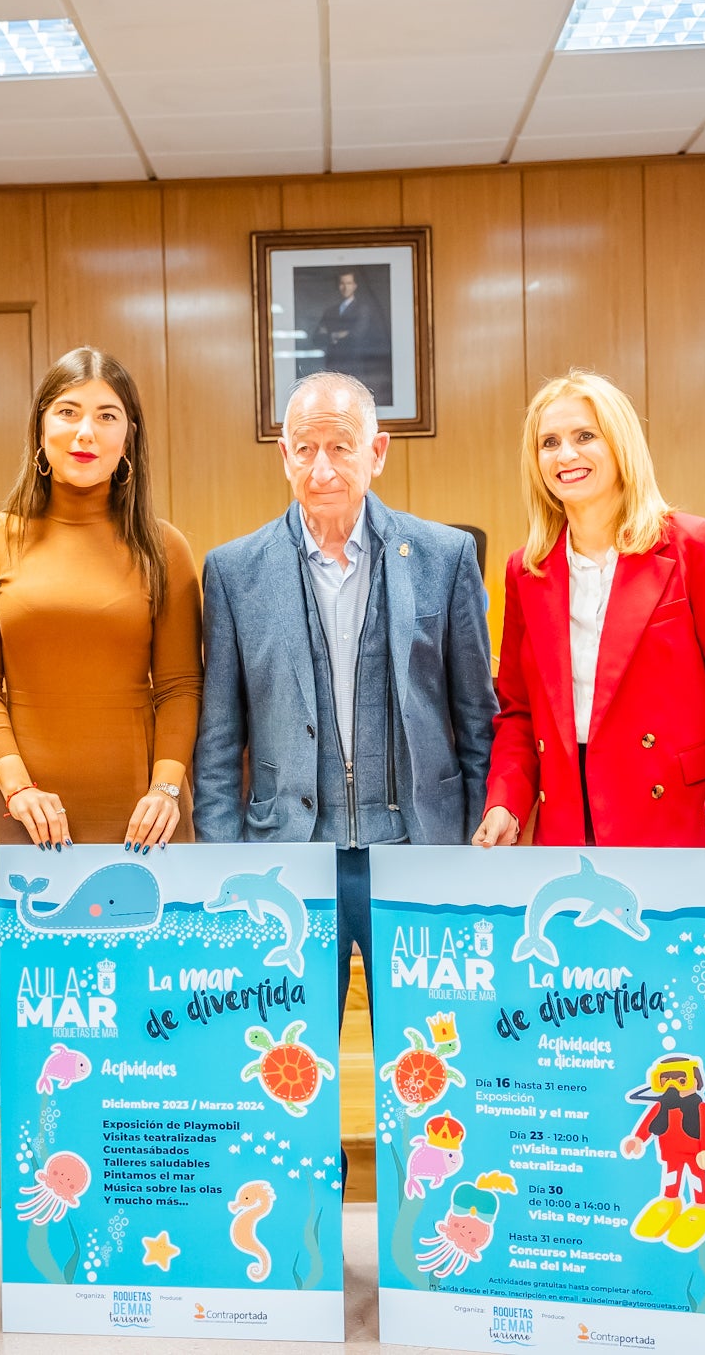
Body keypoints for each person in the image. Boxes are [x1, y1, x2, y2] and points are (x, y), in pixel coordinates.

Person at [471, 369, 705, 1234]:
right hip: (573, 859)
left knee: (690, 1067)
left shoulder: (695, 546)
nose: (565, 454)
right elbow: (517, 710)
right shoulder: (528, 570)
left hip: (687, 847)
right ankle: (604, 1250)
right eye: (549, 441)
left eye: (584, 435)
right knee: (591, 1062)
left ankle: (698, 1260)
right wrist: (505, 802)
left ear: (620, 445)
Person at [196, 371, 496, 1034]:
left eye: (340, 446)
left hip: (419, 849)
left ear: (377, 451)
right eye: (305, 449)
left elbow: (479, 720)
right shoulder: (233, 571)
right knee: (288, 1056)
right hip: (287, 859)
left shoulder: (445, 557)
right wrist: (224, 860)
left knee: (429, 1048)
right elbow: (217, 741)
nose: (322, 467)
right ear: (284, 456)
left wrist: (476, 848)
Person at [0, 346, 203, 1106]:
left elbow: (181, 684)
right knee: (45, 1020)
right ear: (40, 429)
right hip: (26, 812)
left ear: (130, 437)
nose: (85, 431)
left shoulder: (164, 546)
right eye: (67, 412)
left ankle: (153, 1172)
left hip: (144, 815)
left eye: (106, 415)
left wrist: (167, 789)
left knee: (149, 1023)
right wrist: (18, 786)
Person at [311, 269, 391, 400]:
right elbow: (317, 338)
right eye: (342, 283)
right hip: (332, 367)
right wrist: (339, 334)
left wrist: (330, 334)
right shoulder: (330, 311)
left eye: (348, 283)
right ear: (338, 286)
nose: (345, 287)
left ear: (355, 286)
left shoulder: (362, 309)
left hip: (354, 366)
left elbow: (357, 335)